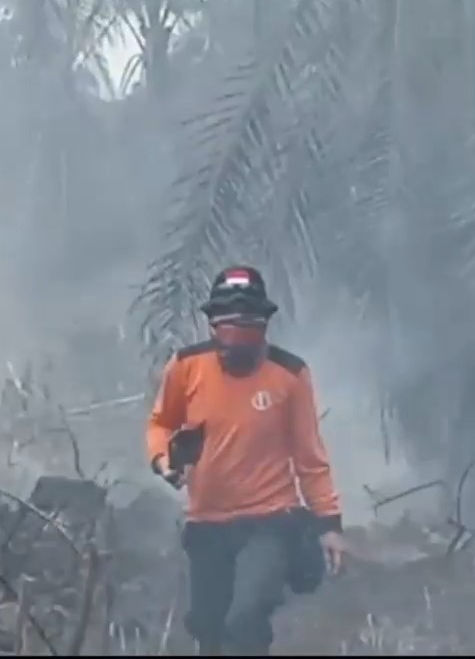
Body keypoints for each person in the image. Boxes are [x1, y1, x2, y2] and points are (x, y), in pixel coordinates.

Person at [146, 265, 348, 656]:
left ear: (265, 326)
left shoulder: (289, 375)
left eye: (248, 327)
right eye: (229, 326)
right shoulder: (186, 367)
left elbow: (310, 457)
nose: (238, 338)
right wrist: (163, 461)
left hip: (270, 522)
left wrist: (329, 525)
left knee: (247, 617)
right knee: (209, 627)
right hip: (206, 524)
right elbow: (160, 424)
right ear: (212, 326)